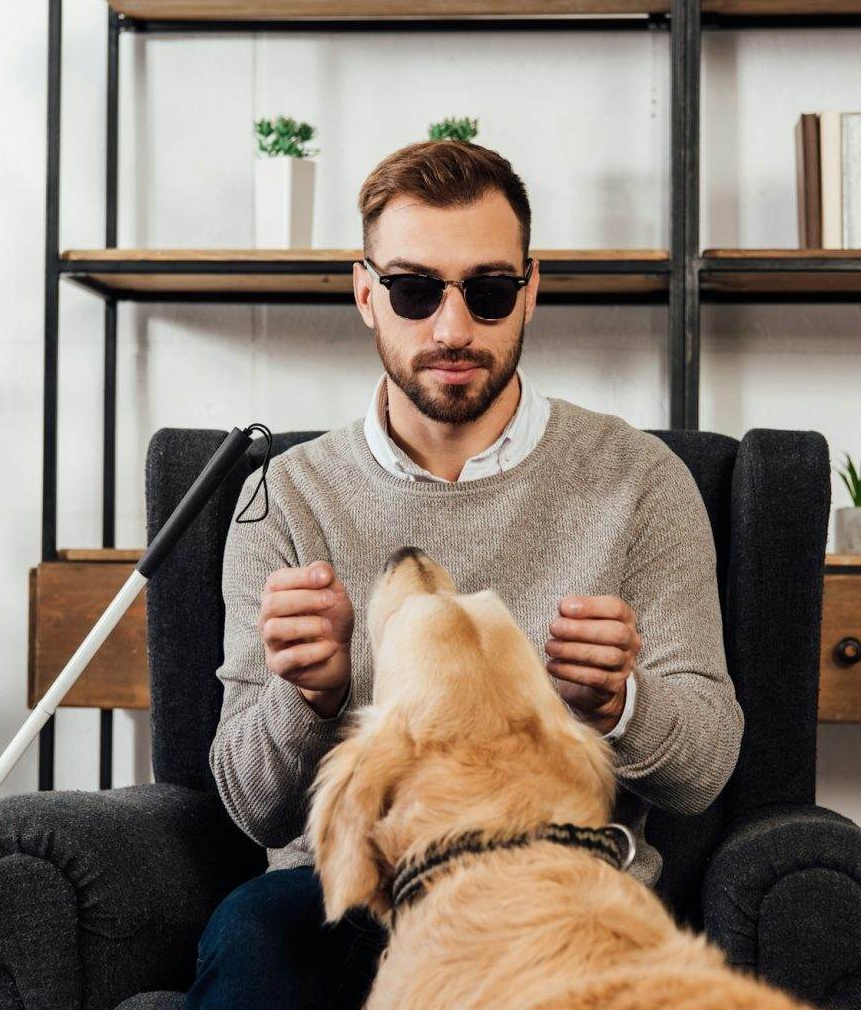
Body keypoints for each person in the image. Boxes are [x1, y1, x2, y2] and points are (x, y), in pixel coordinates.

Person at [183, 140, 744, 1010]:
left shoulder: (639, 483)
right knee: (256, 932)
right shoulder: (285, 495)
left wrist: (624, 703)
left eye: (487, 292)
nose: (451, 329)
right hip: (344, 902)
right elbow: (253, 808)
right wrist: (309, 698)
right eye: (414, 290)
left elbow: (705, 764)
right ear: (365, 291)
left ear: (530, 287)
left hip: (559, 897)